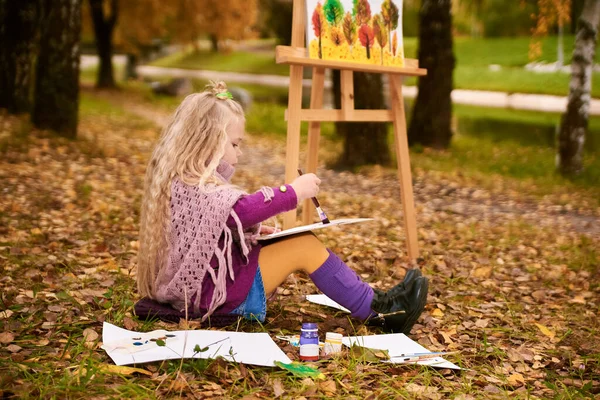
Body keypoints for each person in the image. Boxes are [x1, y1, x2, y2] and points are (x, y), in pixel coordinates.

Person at [135, 81, 429, 334]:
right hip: (218, 298)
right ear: (210, 142)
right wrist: (293, 192)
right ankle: (382, 311)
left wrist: (255, 230)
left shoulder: (188, 181)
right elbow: (240, 211)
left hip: (212, 290)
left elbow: (212, 229)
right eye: (235, 144)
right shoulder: (196, 184)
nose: (239, 153)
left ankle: (377, 301)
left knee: (298, 241)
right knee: (303, 246)